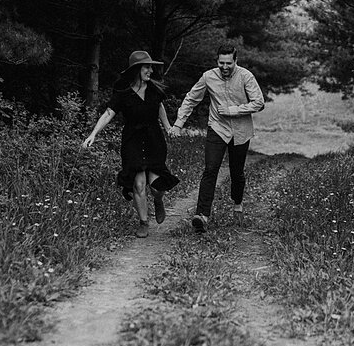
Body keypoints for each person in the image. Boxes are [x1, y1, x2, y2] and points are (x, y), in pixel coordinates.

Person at [82, 50, 180, 238]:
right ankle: (143, 222)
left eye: (151, 67)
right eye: (147, 67)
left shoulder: (154, 89)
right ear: (136, 69)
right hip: (132, 140)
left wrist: (168, 126)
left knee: (157, 186)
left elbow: (159, 106)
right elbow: (109, 113)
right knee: (138, 183)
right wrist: (93, 134)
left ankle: (158, 201)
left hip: (153, 139)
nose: (150, 70)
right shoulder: (123, 91)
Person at [169, 45, 264, 232]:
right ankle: (202, 215)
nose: (225, 67)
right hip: (217, 128)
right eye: (221, 63)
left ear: (236, 61)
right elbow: (191, 98)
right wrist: (179, 123)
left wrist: (233, 110)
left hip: (241, 131)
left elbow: (259, 103)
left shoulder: (246, 76)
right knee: (210, 169)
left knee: (237, 172)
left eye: (229, 63)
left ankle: (237, 203)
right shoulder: (208, 77)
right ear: (216, 61)